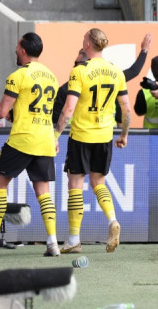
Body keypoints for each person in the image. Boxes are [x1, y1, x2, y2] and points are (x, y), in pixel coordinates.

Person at [0, 33, 61, 256]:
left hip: (23, 139)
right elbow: (35, 110)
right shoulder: (52, 77)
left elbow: (1, 112)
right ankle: (53, 243)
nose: (15, 50)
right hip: (45, 139)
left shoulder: (18, 75)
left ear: (24, 50)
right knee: (44, 192)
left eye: (18, 47)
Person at [54, 28, 132, 254]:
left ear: (88, 44)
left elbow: (69, 108)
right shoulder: (116, 72)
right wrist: (124, 135)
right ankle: (112, 220)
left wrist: (55, 135)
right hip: (105, 136)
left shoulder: (80, 71)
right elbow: (127, 109)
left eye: (83, 39)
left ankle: (73, 240)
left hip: (81, 135)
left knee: (75, 185)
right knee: (99, 182)